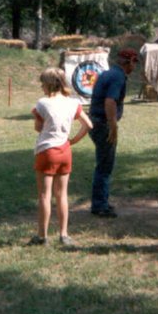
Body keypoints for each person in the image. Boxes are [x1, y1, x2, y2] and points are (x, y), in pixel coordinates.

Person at [29, 67, 93, 246]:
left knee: (44, 195)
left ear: (49, 84)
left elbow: (38, 128)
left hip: (46, 151)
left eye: (42, 83)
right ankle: (64, 235)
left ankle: (42, 237)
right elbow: (88, 125)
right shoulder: (73, 103)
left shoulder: (42, 103)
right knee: (62, 195)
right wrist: (72, 141)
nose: (41, 86)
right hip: (65, 151)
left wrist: (40, 120)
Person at [88, 48, 139, 217]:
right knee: (105, 167)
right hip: (103, 124)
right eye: (135, 62)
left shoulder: (107, 73)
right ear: (129, 61)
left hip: (96, 122)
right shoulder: (118, 77)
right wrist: (113, 126)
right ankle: (100, 206)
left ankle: (101, 201)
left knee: (103, 164)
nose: (135, 66)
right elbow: (110, 102)